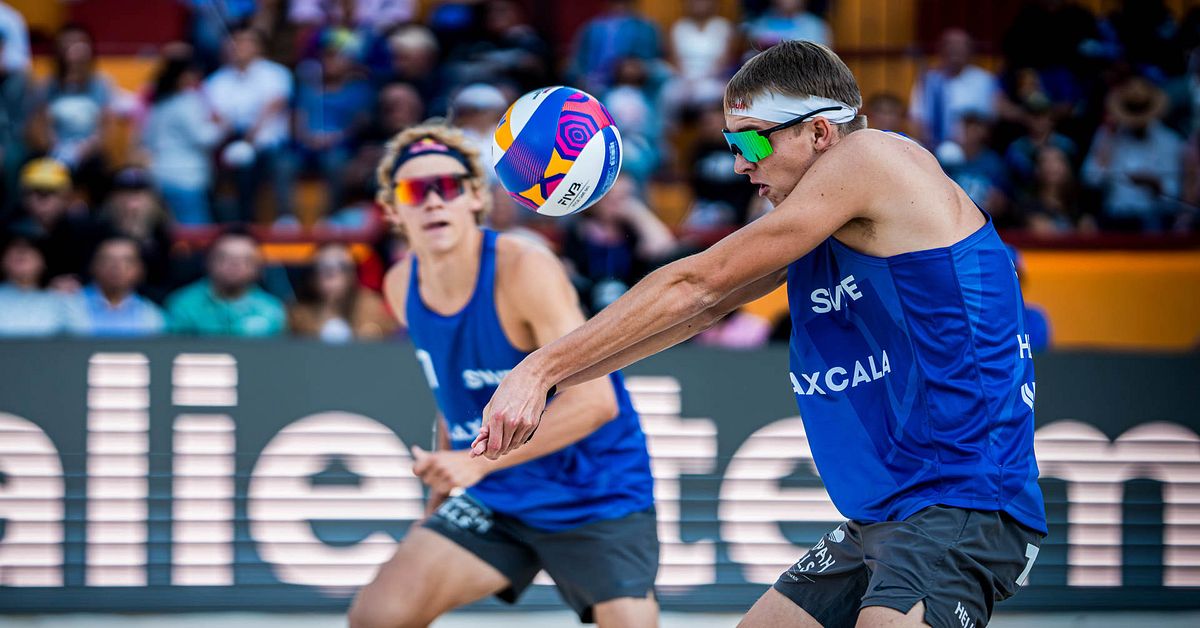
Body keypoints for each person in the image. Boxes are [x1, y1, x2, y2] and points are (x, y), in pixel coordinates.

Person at [476, 40, 1047, 628]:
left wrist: (537, 367)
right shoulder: (824, 218)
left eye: (750, 140)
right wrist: (554, 383)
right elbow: (701, 310)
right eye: (729, 144)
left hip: (961, 499)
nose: (739, 164)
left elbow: (697, 282)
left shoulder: (875, 157)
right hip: (888, 515)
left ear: (820, 133)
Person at [347, 124, 658, 628]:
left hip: (594, 494)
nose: (432, 202)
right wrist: (438, 504)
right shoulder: (401, 284)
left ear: (474, 197)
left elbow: (596, 403)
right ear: (392, 210)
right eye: (413, 191)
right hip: (500, 497)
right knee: (377, 615)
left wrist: (475, 466)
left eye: (446, 187)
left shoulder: (523, 267)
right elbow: (453, 397)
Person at [142, 45, 221, 225]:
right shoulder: (188, 101)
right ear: (184, 75)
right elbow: (204, 137)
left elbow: (147, 139)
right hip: (187, 176)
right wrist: (222, 126)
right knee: (194, 234)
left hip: (160, 174)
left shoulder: (158, 103)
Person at [165, 229, 286, 336]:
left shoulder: (272, 309)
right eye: (225, 257)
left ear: (259, 267)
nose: (235, 265)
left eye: (246, 260)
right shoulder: (183, 304)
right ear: (208, 261)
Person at [909, 28, 1000, 149]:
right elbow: (916, 118)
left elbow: (989, 120)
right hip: (931, 147)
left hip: (972, 151)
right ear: (941, 50)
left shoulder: (984, 80)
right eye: (950, 45)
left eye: (961, 46)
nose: (955, 50)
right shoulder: (928, 80)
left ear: (970, 51)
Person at [287, 242, 395, 342]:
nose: (332, 275)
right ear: (312, 277)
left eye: (342, 267)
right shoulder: (299, 315)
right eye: (323, 268)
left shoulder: (372, 307)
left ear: (352, 274)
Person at [0, 231, 89, 337]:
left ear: (43, 261)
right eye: (13, 247)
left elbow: (82, 338)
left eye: (31, 248)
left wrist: (69, 299)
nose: (21, 251)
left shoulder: (59, 298)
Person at [80, 236, 166, 337]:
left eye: (127, 261)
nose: (117, 267)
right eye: (108, 260)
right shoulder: (67, 306)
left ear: (140, 269)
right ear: (93, 265)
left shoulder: (152, 316)